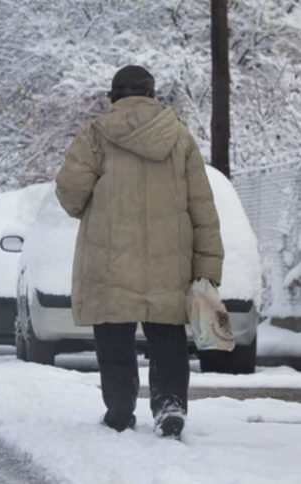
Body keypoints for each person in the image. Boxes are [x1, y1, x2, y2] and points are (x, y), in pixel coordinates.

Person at [54, 65, 224, 438]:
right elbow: (203, 208)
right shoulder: (179, 137)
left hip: (109, 260)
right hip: (169, 262)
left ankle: (119, 411)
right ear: (152, 94)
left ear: (114, 96)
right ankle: (170, 408)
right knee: (167, 337)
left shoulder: (95, 135)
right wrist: (208, 266)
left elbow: (70, 194)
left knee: (114, 338)